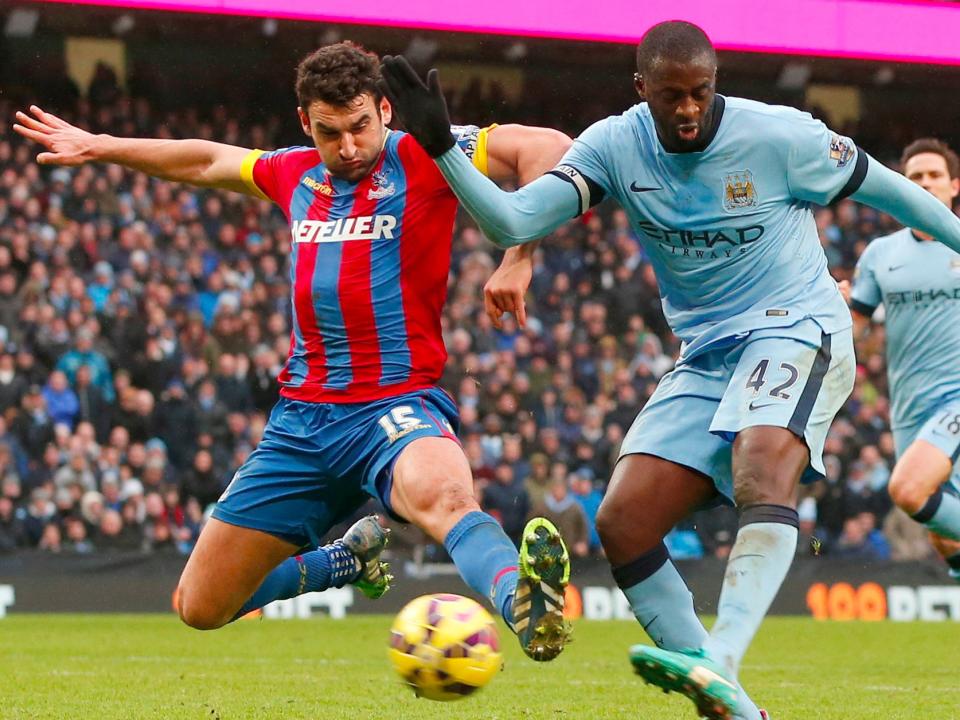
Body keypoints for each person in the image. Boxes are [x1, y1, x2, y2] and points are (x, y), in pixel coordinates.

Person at [379, 20, 960, 719]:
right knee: (622, 521)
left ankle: (718, 660)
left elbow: (893, 192)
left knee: (762, 462)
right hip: (706, 352)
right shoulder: (615, 146)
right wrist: (443, 147)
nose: (687, 109)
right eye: (670, 96)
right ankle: (734, 705)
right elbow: (512, 222)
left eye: (700, 93)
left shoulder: (780, 136)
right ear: (641, 89)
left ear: (716, 83)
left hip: (797, 326)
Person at [14, 41, 573, 661]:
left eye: (362, 125)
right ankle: (341, 562)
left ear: (386, 109)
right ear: (307, 123)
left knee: (444, 497)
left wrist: (518, 251)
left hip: (393, 407)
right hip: (301, 424)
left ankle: (521, 603)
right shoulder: (294, 172)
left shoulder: (427, 153)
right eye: (331, 133)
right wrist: (101, 146)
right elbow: (205, 160)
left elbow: (548, 146)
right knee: (199, 607)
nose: (351, 147)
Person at [845, 139, 960, 578]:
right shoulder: (880, 255)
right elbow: (857, 328)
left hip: (956, 397)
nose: (925, 183)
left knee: (910, 490)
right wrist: (838, 310)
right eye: (915, 177)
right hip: (910, 406)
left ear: (954, 185)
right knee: (943, 530)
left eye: (933, 175)